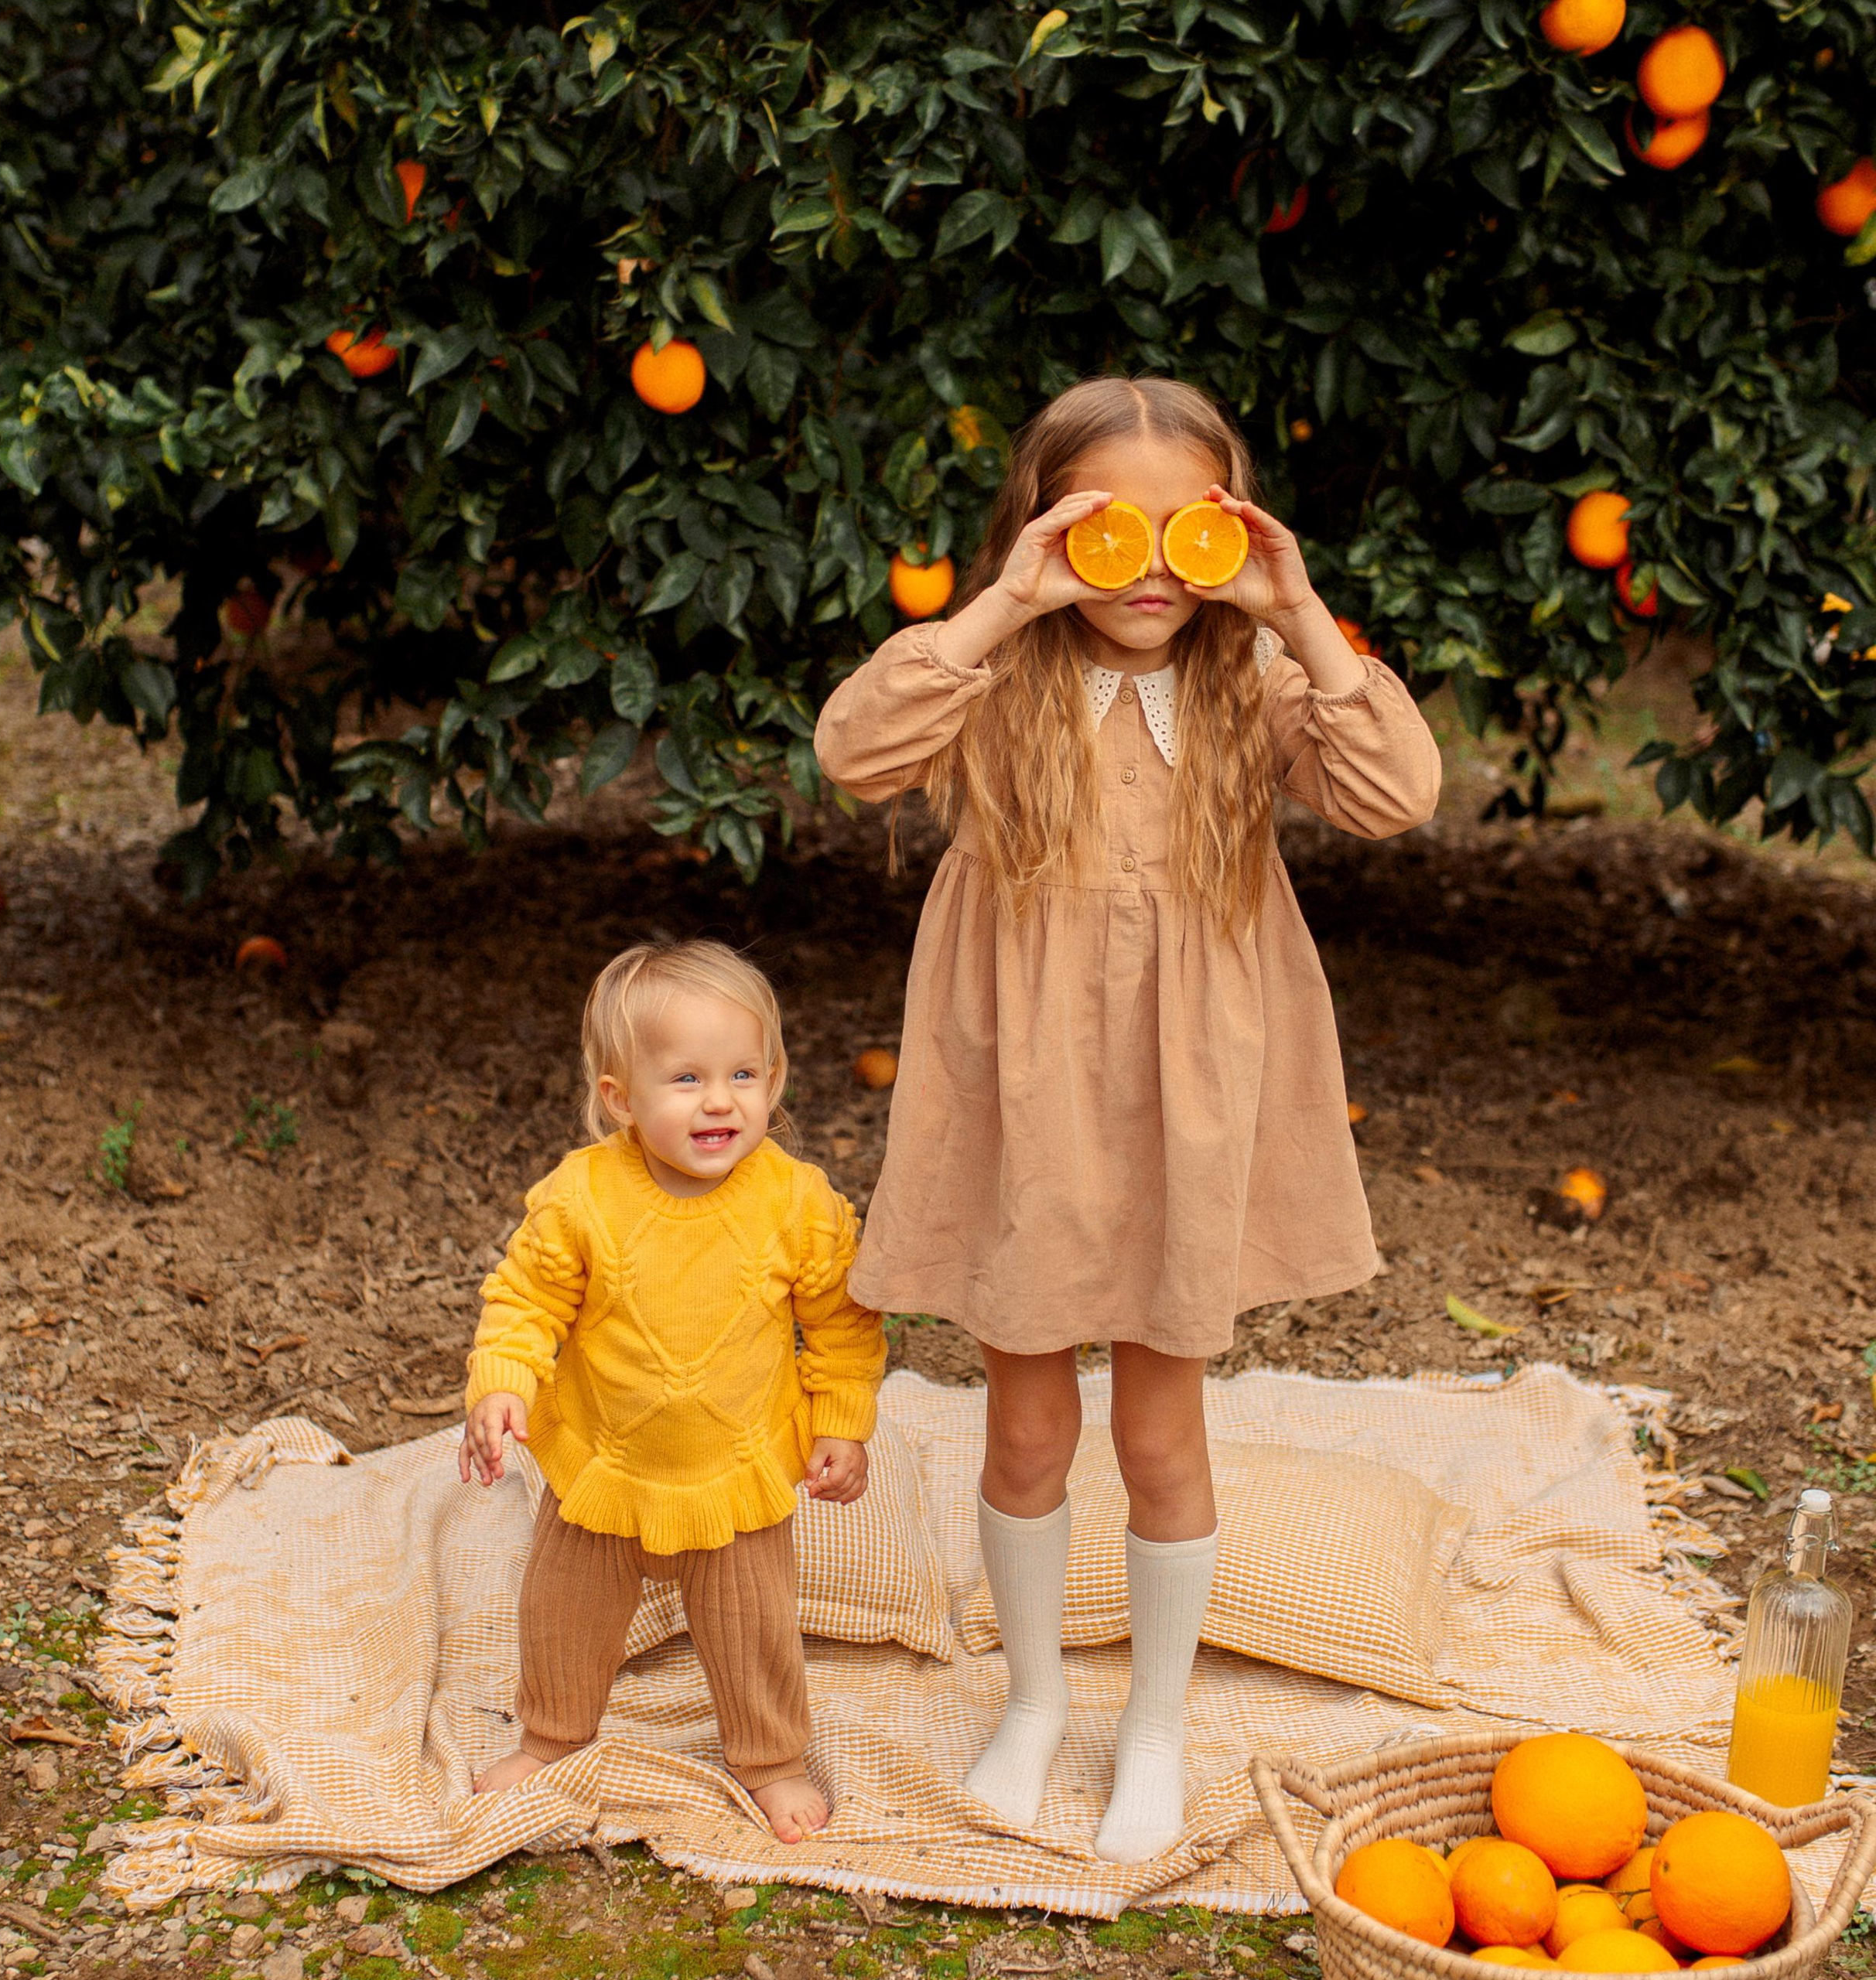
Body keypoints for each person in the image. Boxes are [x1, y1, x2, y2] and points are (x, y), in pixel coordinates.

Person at [814, 375, 1440, 1863]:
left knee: (1162, 1434)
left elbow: (1399, 795)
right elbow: (854, 752)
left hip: (1191, 1098)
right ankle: (1035, 1703)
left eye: (1190, 532)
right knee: (1023, 1428)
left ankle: (1151, 1724)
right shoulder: (996, 678)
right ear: (1045, 528)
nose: (1152, 566)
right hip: (1022, 1095)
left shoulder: (1258, 682)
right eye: (1108, 530)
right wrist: (999, 606)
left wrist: (1301, 617)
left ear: (1237, 536)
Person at [459, 939, 886, 1843]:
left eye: (743, 1073)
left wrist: (840, 1421)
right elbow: (525, 1301)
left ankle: (769, 1759)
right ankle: (552, 1735)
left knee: (753, 1629)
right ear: (621, 1097)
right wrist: (502, 1384)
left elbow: (843, 1324)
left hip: (736, 1465)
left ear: (773, 1078)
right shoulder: (582, 1197)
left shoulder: (797, 1202)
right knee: (563, 1612)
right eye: (686, 1078)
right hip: (603, 1460)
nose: (721, 1100)